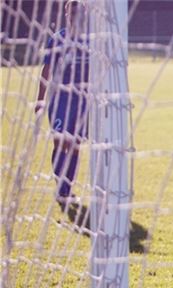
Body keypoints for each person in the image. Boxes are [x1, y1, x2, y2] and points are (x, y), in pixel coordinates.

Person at [36, 0, 88, 211]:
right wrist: (40, 99)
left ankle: (67, 189)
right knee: (60, 143)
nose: (76, 17)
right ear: (67, 15)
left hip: (82, 102)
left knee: (74, 145)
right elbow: (46, 70)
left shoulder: (92, 42)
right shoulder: (57, 39)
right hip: (60, 100)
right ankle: (61, 189)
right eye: (72, 13)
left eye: (79, 13)